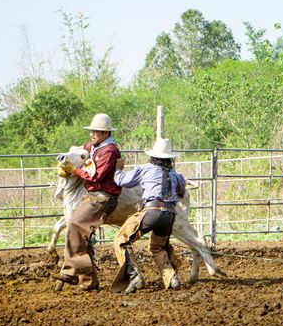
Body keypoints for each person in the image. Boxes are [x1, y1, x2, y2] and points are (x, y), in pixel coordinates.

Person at [52, 113, 121, 290]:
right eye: (91, 131)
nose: (92, 134)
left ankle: (69, 271)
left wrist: (74, 170)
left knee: (74, 224)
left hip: (103, 197)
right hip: (92, 196)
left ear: (106, 133)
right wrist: (66, 158)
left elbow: (95, 175)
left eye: (96, 132)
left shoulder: (109, 151)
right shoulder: (95, 147)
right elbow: (79, 151)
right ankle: (88, 281)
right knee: (82, 234)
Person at [110, 137, 186, 294]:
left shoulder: (145, 169)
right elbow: (181, 190)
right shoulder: (175, 174)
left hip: (152, 211)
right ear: (170, 158)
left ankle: (134, 276)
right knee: (158, 247)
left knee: (122, 240)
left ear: (153, 156)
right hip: (170, 215)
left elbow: (123, 181)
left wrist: (118, 169)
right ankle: (172, 278)